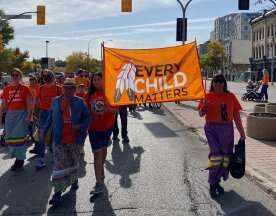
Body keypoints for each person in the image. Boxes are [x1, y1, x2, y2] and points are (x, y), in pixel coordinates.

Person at [42, 78, 90, 207]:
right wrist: (44, 131)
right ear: (62, 88)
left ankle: (74, 181)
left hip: (75, 139)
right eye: (66, 87)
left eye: (71, 88)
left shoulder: (80, 102)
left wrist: (80, 126)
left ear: (74, 90)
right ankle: (57, 193)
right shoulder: (55, 101)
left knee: (73, 162)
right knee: (58, 166)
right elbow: (50, 118)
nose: (69, 90)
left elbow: (87, 118)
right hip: (59, 139)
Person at [198, 74, 246, 198]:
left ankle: (217, 180)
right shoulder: (206, 96)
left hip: (227, 131)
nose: (218, 84)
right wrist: (204, 106)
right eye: (215, 81)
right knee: (216, 155)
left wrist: (242, 132)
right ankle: (212, 184)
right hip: (211, 129)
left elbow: (236, 116)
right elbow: (200, 114)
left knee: (225, 157)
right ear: (212, 83)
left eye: (220, 82)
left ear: (224, 83)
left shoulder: (231, 97)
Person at [87, 73, 117, 195]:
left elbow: (116, 111)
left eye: (98, 79)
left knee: (103, 151)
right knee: (97, 155)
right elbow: (85, 110)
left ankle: (101, 170)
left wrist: (107, 108)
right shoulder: (89, 95)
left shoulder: (111, 93)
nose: (96, 81)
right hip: (93, 129)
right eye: (94, 80)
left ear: (103, 80)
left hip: (107, 128)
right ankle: (99, 182)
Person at [0, 68, 32, 171]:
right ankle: (18, 158)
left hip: (21, 115)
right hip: (10, 116)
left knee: (19, 138)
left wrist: (28, 117)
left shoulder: (25, 88)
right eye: (13, 75)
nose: (14, 77)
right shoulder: (6, 89)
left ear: (20, 76)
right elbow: (4, 104)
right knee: (11, 138)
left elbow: (29, 105)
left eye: (17, 75)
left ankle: (20, 160)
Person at [35, 70, 63, 170]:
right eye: (44, 76)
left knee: (56, 136)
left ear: (52, 76)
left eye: (48, 75)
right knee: (41, 136)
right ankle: (40, 159)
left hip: (55, 114)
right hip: (44, 113)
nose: (46, 77)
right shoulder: (41, 88)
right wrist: (36, 113)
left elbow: (64, 102)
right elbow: (37, 101)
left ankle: (57, 156)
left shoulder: (58, 88)